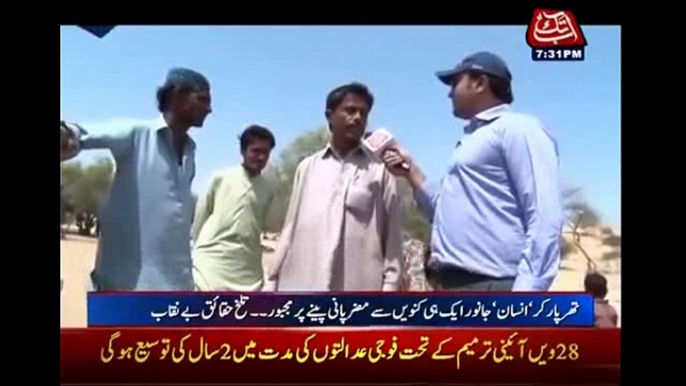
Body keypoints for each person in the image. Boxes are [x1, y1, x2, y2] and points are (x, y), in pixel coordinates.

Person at [383, 51, 564, 291]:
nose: (449, 92)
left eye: (455, 82)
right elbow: (444, 213)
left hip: (494, 287)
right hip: (454, 285)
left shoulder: (519, 129)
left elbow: (544, 216)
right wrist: (410, 171)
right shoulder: (473, 140)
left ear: (479, 83)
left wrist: (527, 295)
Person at [60, 67, 212, 291]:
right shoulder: (137, 134)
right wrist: (67, 135)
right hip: (124, 287)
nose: (209, 109)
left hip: (176, 288)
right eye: (203, 99)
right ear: (177, 95)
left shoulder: (191, 151)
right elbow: (80, 135)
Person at [265, 82, 403, 291]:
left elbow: (392, 239)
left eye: (363, 114)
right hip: (302, 288)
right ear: (329, 116)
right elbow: (290, 228)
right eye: (350, 110)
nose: (357, 118)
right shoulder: (307, 168)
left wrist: (389, 289)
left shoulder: (381, 172)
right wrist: (272, 280)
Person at [191, 125, 276, 291]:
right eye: (255, 151)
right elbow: (200, 220)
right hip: (211, 268)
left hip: (247, 273)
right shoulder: (221, 178)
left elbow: (255, 227)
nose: (261, 157)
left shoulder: (268, 189)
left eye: (266, 153)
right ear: (243, 151)